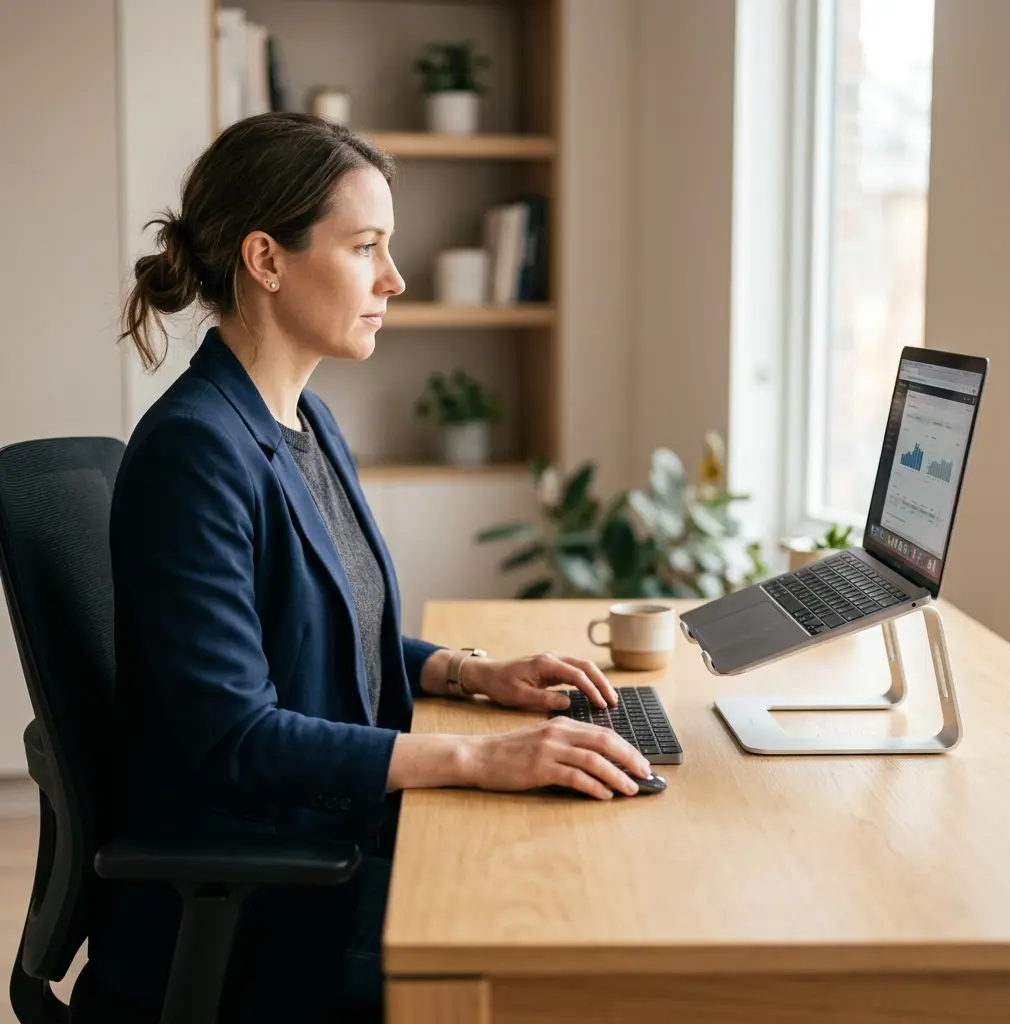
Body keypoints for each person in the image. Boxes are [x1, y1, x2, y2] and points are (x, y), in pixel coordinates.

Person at [88, 112, 652, 1022]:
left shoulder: (303, 421)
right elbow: (237, 738)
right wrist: (478, 756)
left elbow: (328, 627)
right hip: (272, 902)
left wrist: (469, 673)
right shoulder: (194, 453)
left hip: (331, 842)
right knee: (562, 951)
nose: (394, 278)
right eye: (365, 247)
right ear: (266, 260)